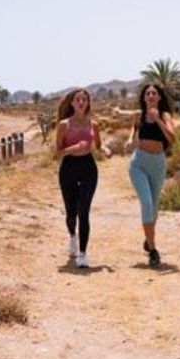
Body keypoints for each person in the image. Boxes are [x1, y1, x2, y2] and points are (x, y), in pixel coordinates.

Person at [55, 88, 109, 268]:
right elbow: (58, 153)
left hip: (88, 168)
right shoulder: (64, 125)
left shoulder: (94, 124)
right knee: (71, 213)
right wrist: (74, 148)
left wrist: (105, 149)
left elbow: (99, 145)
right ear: (72, 103)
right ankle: (73, 237)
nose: (81, 102)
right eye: (78, 99)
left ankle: (83, 254)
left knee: (83, 211)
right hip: (68, 169)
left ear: (87, 103)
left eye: (84, 99)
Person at [125, 83, 175, 267]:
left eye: (154, 93)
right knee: (146, 203)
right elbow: (134, 127)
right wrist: (130, 139)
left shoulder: (165, 115)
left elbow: (172, 138)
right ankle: (153, 250)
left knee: (153, 207)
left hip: (158, 164)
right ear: (144, 98)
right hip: (139, 163)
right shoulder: (139, 115)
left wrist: (158, 120)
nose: (151, 96)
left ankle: (148, 238)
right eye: (148, 93)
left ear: (159, 97)